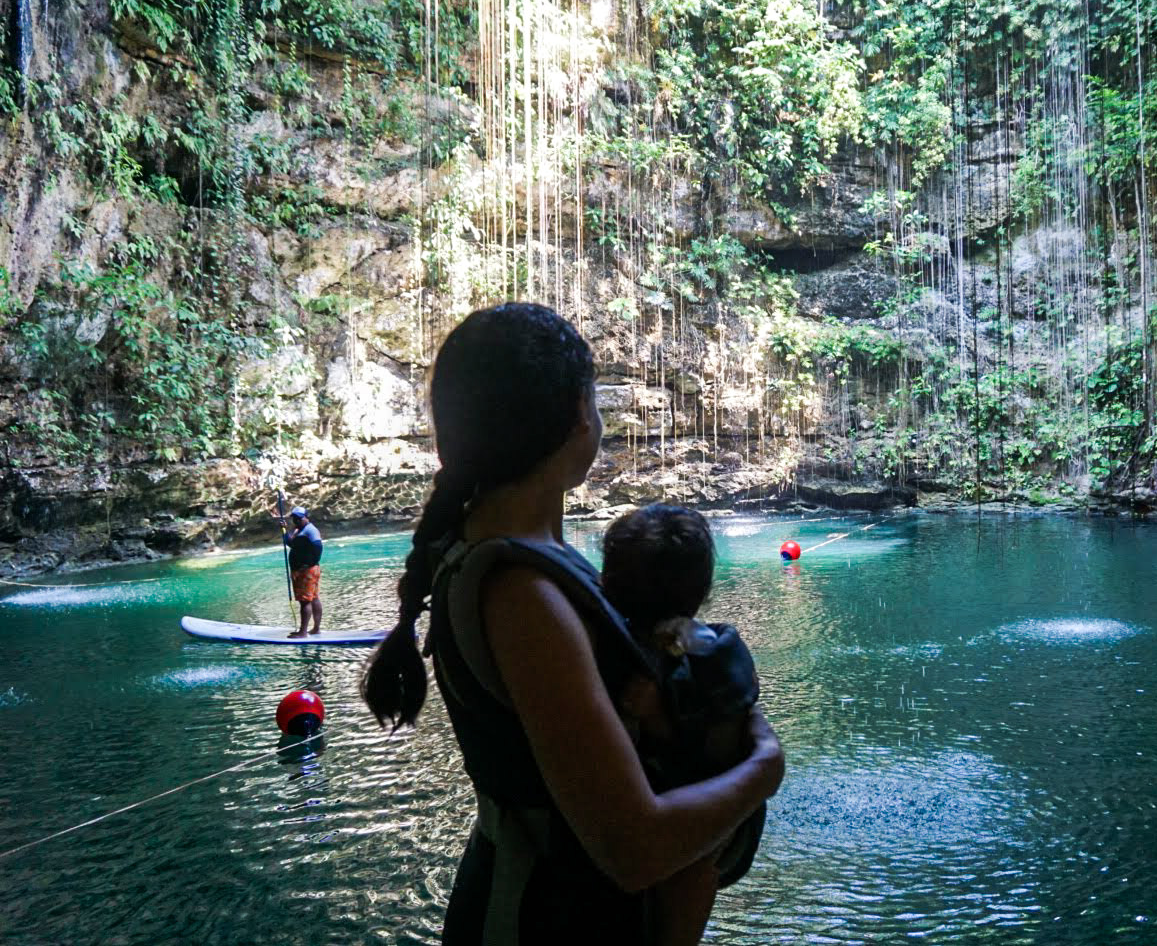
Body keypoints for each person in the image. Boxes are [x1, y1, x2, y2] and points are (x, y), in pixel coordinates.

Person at [360, 303, 783, 945]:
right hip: (542, 919)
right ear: (581, 414)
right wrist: (764, 767)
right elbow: (634, 846)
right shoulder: (524, 596)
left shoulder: (519, 561)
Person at [599, 504, 767, 946]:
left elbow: (717, 761)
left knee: (689, 872)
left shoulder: (712, 656)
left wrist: (657, 722)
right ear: (703, 589)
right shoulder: (719, 651)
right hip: (702, 810)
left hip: (706, 813)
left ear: (606, 584)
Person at [280, 507, 324, 638]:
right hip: (305, 570)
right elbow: (292, 544)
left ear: (306, 517)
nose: (296, 520)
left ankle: (303, 632)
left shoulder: (311, 530)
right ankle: (315, 629)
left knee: (305, 601)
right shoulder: (300, 530)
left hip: (306, 571)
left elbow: (318, 547)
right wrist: (284, 531)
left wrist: (308, 564)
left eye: (299, 518)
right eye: (294, 518)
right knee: (314, 598)